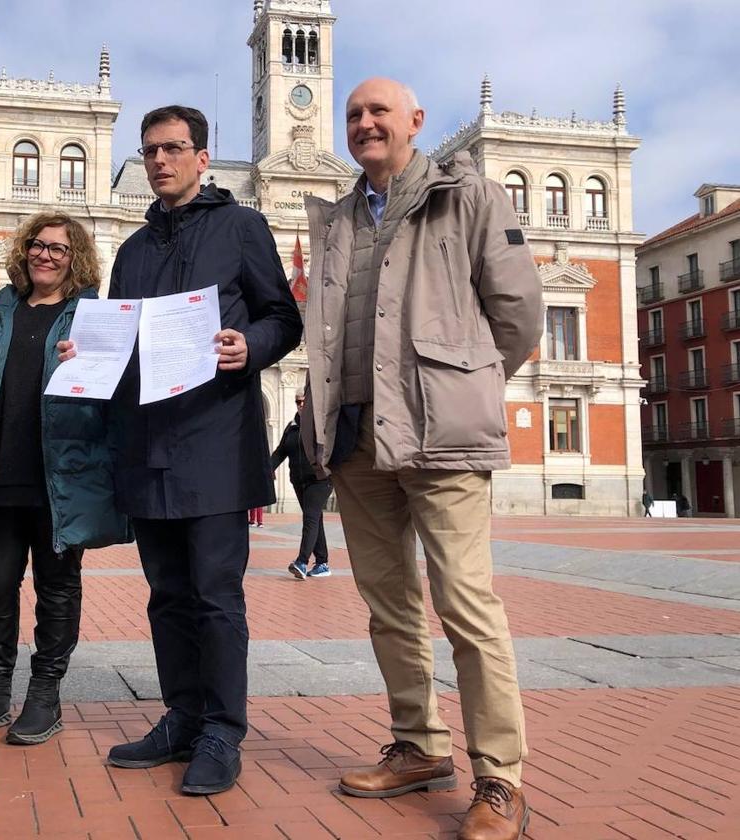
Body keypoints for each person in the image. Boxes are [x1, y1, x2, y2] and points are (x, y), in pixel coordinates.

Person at [301, 78, 542, 840]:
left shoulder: (465, 197)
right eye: (354, 116)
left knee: (467, 606)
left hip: (443, 436)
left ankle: (499, 780)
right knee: (389, 606)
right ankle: (418, 746)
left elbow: (520, 313)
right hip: (357, 438)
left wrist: (463, 382)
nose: (365, 123)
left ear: (415, 122)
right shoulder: (337, 219)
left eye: (379, 112)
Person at [62, 105, 301, 795]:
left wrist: (248, 345)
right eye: (150, 151)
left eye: (173, 148)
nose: (160, 161)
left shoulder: (242, 227)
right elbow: (117, 335)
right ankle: (182, 717)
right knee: (166, 595)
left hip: (217, 444)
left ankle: (223, 732)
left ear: (202, 156)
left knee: (216, 597)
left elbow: (283, 317)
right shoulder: (133, 250)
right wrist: (87, 355)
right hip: (148, 444)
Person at [0, 211, 129, 745]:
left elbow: (121, 385)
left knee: (57, 588)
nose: (45, 255)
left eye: (59, 249)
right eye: (38, 246)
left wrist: (93, 362)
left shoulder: (93, 316)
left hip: (60, 479)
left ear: (77, 259)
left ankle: (45, 694)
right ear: (24, 252)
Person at [270, 389, 332, 579]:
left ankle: (302, 562)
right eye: (298, 402)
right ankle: (322, 563)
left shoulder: (321, 425)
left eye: (305, 401)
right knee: (315, 518)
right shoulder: (292, 426)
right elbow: (281, 451)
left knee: (310, 518)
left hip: (320, 480)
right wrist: (266, 469)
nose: (301, 405)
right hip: (299, 480)